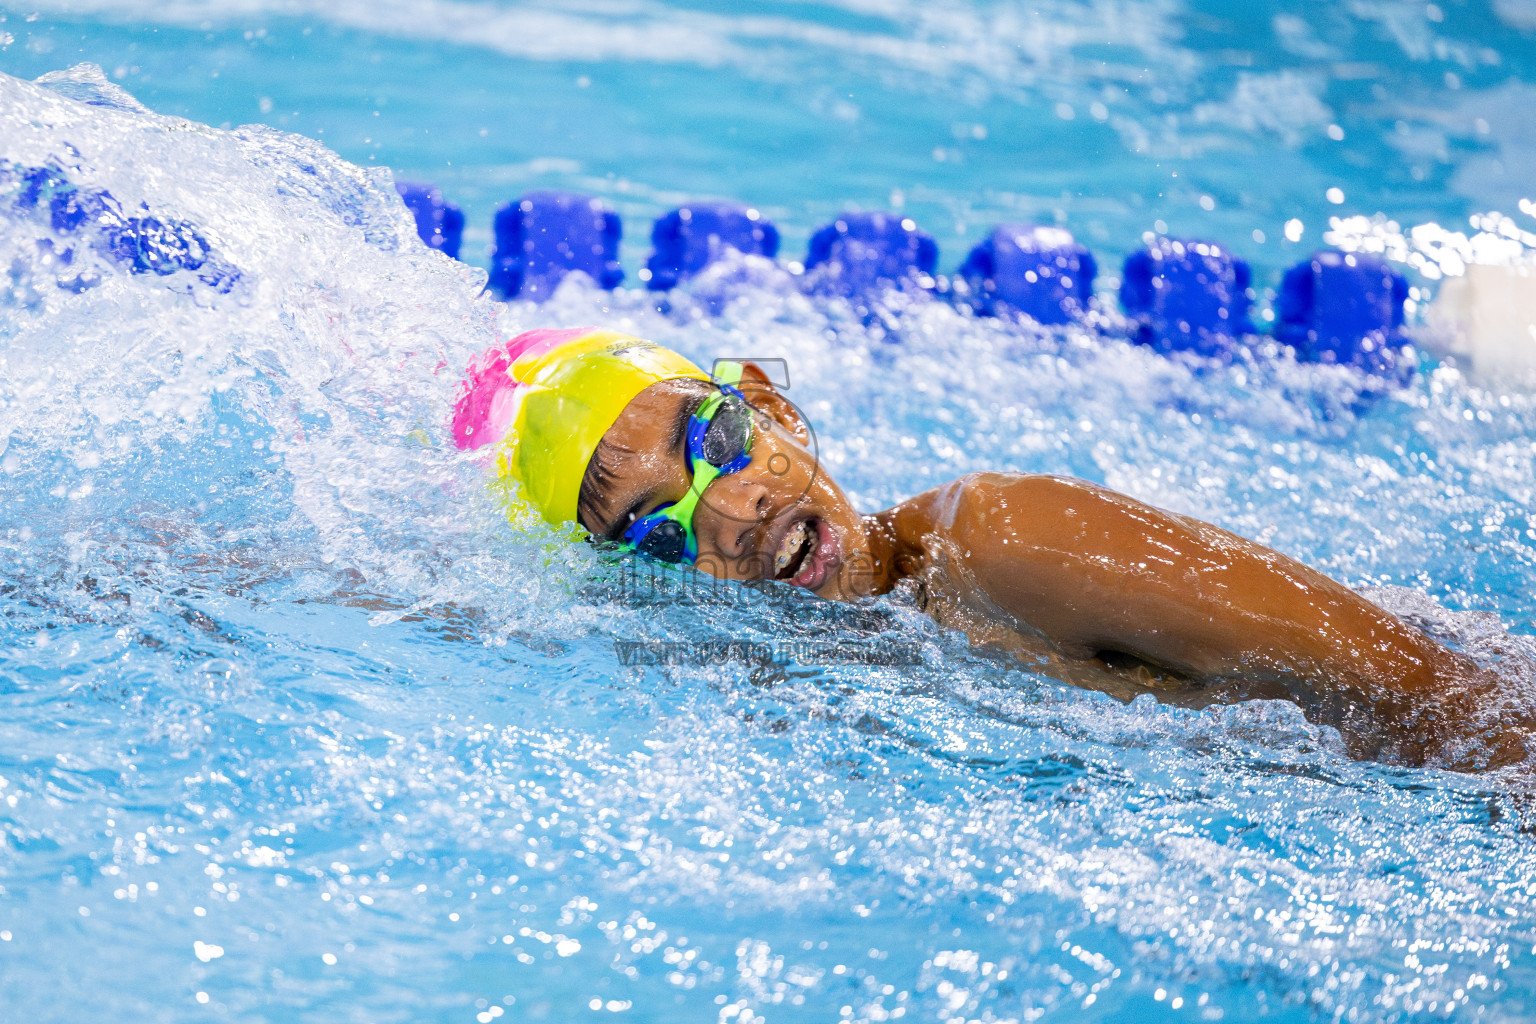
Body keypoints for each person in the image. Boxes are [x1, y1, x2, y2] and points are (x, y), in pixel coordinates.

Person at [453, 327, 1526, 771]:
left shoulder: (1004, 541)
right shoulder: (815, 663)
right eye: (659, 531)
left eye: (717, 440)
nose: (728, 513)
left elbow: (1443, 694)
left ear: (771, 404)